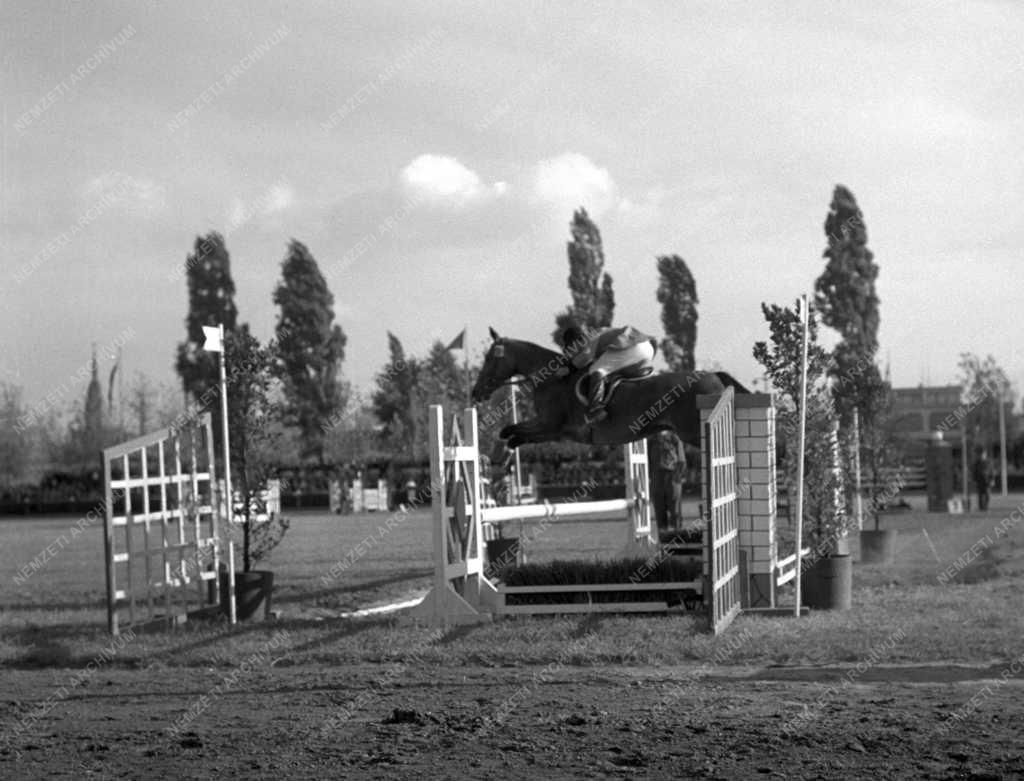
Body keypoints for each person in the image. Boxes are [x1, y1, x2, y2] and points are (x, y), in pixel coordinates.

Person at [561, 324, 658, 423]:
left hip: (634, 348)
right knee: (612, 375)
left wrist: (569, 369)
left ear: (577, 340)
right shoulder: (599, 331)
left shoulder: (589, 337)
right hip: (648, 350)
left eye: (572, 347)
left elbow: (586, 356)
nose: (575, 351)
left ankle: (595, 408)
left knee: (596, 370)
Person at [651, 429, 686, 534]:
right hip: (657, 477)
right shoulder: (652, 439)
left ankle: (677, 540)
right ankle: (663, 542)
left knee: (675, 511)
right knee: (659, 511)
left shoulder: (675, 438)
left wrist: (677, 477)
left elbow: (681, 460)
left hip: (672, 477)